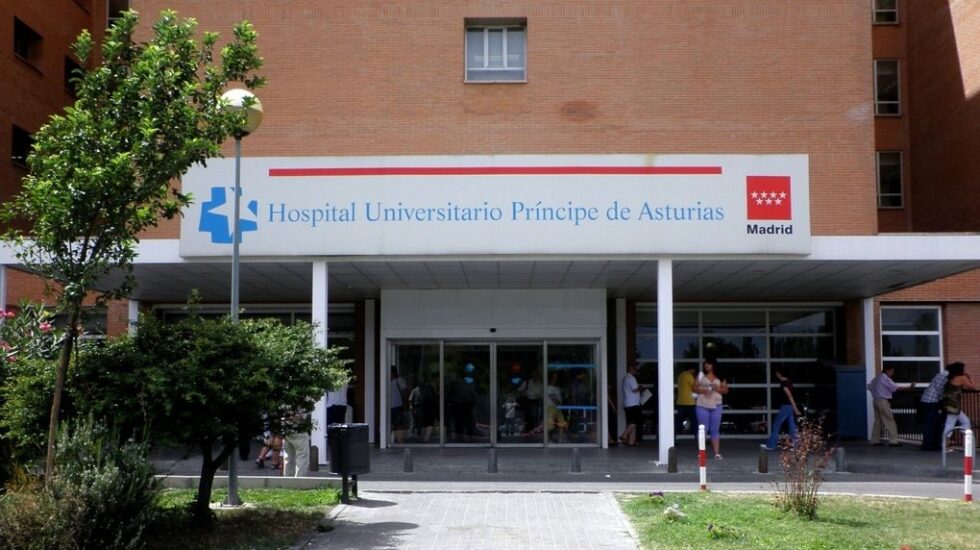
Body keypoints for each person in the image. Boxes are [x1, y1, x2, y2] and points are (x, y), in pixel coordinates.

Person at [867, 365, 916, 446]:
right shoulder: (885, 378)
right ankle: (893, 441)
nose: (892, 374)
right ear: (887, 370)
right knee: (890, 420)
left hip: (875, 400)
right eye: (892, 371)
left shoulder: (876, 378)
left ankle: (875, 440)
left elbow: (869, 386)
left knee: (878, 421)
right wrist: (910, 387)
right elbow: (896, 388)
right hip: (883, 401)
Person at [694, 359, 728, 459]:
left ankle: (717, 453)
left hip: (717, 404)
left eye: (708, 363)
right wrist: (703, 390)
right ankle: (701, 452)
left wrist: (716, 388)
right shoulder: (701, 375)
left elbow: (726, 390)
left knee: (715, 429)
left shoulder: (720, 376)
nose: (706, 365)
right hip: (702, 404)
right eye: (705, 363)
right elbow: (694, 388)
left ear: (713, 365)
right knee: (703, 429)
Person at [940, 362, 976, 452]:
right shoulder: (961, 378)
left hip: (948, 403)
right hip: (954, 404)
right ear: (960, 369)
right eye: (964, 368)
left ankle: (966, 444)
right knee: (950, 424)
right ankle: (945, 445)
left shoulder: (951, 377)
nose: (965, 370)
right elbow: (973, 387)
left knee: (965, 421)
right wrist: (969, 376)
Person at [764, 369, 801, 450]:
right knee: (792, 425)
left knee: (776, 424)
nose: (776, 375)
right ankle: (797, 445)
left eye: (777, 373)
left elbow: (790, 396)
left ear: (779, 373)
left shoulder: (784, 383)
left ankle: (771, 445)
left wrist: (795, 409)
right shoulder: (789, 382)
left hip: (786, 406)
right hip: (789, 406)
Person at [919, 366, 948, 451]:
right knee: (931, 424)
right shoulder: (945, 376)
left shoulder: (941, 374)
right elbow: (940, 391)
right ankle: (930, 445)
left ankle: (930, 444)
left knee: (931, 424)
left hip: (927, 400)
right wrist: (943, 400)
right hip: (931, 401)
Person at [282, 410, 311, 477]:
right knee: (302, 456)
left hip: (286, 428)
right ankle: (299, 481)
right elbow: (300, 416)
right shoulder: (301, 401)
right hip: (298, 428)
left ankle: (287, 480)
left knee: (288, 456)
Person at [619, 365, 641, 446]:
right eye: (635, 370)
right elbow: (635, 389)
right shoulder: (632, 378)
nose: (635, 371)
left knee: (630, 423)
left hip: (627, 403)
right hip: (633, 403)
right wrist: (641, 387)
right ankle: (624, 435)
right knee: (635, 422)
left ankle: (631, 441)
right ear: (632, 370)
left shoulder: (625, 379)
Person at [675, 364, 698, 436]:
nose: (694, 372)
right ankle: (698, 439)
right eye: (694, 370)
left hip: (680, 402)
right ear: (691, 369)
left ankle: (673, 439)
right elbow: (694, 387)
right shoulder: (689, 376)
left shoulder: (680, 376)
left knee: (678, 423)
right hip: (689, 402)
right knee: (694, 422)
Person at [390, 367, 409, 443]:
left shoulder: (399, 380)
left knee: (398, 423)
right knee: (391, 423)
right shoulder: (386, 381)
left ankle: (399, 440)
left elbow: (405, 392)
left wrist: (406, 403)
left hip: (398, 405)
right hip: (389, 407)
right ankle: (392, 439)